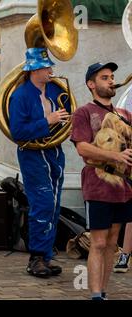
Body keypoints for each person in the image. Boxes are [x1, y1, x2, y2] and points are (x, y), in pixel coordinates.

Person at [71, 62, 132, 299]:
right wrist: (115, 155)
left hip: (123, 186)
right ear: (91, 84)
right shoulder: (84, 112)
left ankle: (103, 292)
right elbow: (83, 148)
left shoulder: (125, 115)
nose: (110, 80)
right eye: (104, 77)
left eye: (112, 76)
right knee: (97, 242)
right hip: (98, 185)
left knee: (112, 241)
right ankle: (95, 294)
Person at [9, 47, 70, 278]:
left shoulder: (54, 89)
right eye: (46, 67)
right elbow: (18, 131)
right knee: (43, 203)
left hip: (54, 152)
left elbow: (67, 114)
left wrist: (63, 120)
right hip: (32, 154)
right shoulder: (21, 95)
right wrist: (48, 120)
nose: (50, 71)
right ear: (34, 70)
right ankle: (35, 257)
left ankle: (46, 255)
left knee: (54, 204)